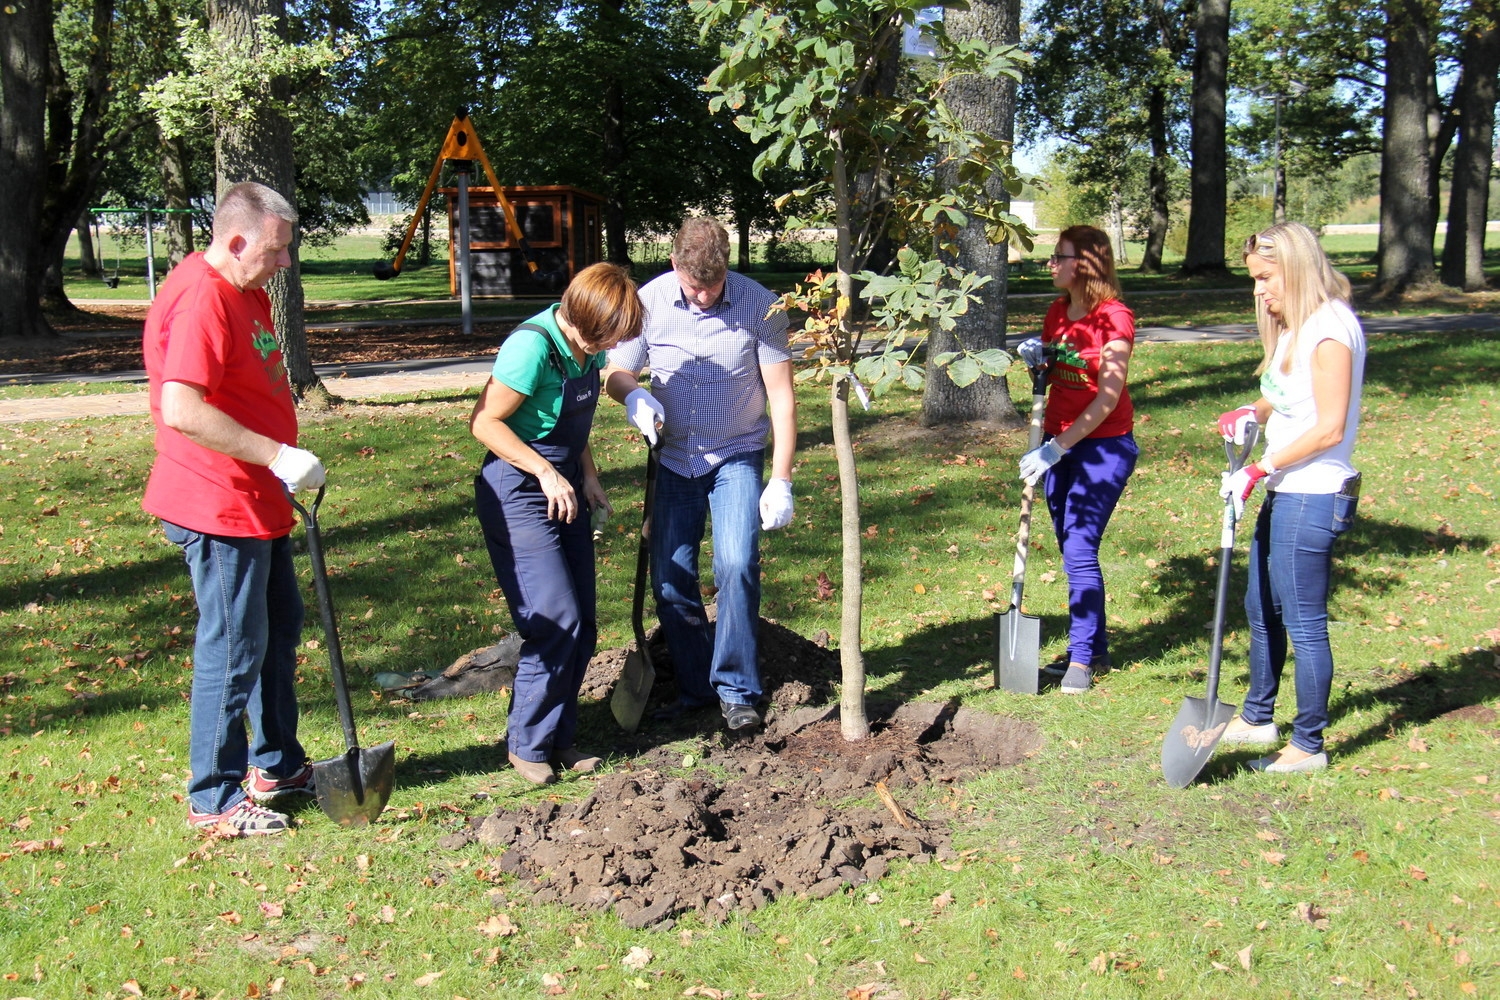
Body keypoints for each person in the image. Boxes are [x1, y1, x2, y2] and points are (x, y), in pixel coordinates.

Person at [143, 181, 326, 836]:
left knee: (279, 628)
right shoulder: (202, 299)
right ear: (238, 239)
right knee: (235, 644)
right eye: (277, 251)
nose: (284, 264)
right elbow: (183, 409)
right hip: (216, 500)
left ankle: (277, 763)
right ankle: (214, 797)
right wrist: (276, 455)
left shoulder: (244, 287)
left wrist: (275, 465)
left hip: (256, 495)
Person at [602, 217, 797, 732]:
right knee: (670, 578)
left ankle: (736, 690)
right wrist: (634, 394)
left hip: (737, 453)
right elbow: (615, 368)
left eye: (713, 286)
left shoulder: (760, 305)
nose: (705, 297)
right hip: (673, 458)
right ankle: (694, 688)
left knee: (735, 565)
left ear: (727, 268)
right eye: (695, 286)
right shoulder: (650, 301)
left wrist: (781, 478)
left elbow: (781, 395)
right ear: (674, 266)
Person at [471, 263, 645, 785]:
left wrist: (587, 473)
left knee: (584, 623)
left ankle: (558, 737)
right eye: (615, 333)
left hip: (564, 484)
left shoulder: (584, 351)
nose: (618, 344)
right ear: (588, 321)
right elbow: (484, 422)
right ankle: (526, 744)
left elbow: (573, 421)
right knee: (555, 618)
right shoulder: (531, 347)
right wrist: (546, 470)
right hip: (518, 488)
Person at [1217, 222, 1365, 773]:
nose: (1259, 291)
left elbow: (1328, 428)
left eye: (1265, 278)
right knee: (1260, 607)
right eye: (1254, 279)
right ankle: (1258, 718)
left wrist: (1259, 467)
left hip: (1313, 493)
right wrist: (1249, 415)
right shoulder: (1296, 327)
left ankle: (1308, 746)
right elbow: (1280, 393)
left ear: (1297, 267)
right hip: (1285, 488)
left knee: (1303, 622)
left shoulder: (1329, 330)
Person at [1016, 225, 1138, 695]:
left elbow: (1107, 397)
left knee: (1081, 548)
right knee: (1070, 547)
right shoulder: (1057, 312)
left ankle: (1083, 659)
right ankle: (1097, 647)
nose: (1051, 263)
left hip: (1103, 446)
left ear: (1085, 263)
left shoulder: (1115, 318)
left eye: (1059, 256)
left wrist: (1058, 447)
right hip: (1057, 443)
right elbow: (1057, 375)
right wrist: (1038, 363)